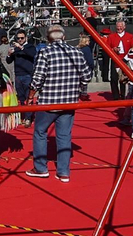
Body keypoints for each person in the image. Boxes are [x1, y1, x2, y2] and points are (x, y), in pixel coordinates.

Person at [25, 24, 92, 182]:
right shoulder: (76, 52)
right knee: (64, 136)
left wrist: (30, 97)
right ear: (64, 36)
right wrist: (81, 90)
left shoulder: (45, 52)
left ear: (48, 38)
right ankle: (63, 172)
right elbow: (87, 76)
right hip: (69, 102)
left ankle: (41, 168)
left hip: (49, 101)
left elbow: (37, 79)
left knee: (40, 132)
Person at [105, 18, 133, 99]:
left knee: (124, 79)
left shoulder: (129, 36)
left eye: (120, 26)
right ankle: (115, 96)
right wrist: (113, 49)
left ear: (124, 27)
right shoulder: (111, 36)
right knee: (113, 78)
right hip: (115, 59)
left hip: (125, 60)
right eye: (117, 26)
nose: (119, 28)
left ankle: (123, 95)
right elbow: (107, 48)